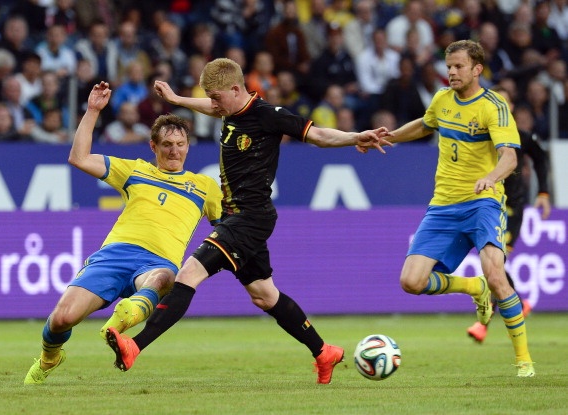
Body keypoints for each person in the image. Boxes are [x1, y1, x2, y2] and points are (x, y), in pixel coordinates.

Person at [104, 57, 391, 384]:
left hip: (250, 217)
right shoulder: (228, 109)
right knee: (264, 295)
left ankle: (135, 346)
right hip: (236, 216)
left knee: (189, 273)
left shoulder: (268, 115)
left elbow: (318, 135)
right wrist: (178, 99)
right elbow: (213, 107)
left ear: (236, 89)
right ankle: (324, 351)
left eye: (216, 97)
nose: (213, 104)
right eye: (210, 98)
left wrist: (355, 137)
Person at [23, 82, 223, 385]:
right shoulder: (135, 171)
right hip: (114, 255)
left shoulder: (204, 186)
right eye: (167, 144)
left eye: (180, 144)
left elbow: (227, 227)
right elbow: (79, 158)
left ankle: (120, 322)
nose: (175, 150)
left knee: (166, 278)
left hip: (158, 261)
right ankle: (50, 357)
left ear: (188, 145)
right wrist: (92, 111)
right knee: (62, 319)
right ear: (153, 146)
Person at [376, 40, 535, 377]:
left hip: (483, 202)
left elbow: (509, 156)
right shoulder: (442, 99)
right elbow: (424, 124)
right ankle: (473, 287)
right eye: (449, 66)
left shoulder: (494, 106)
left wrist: (491, 178)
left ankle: (524, 360)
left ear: (477, 69)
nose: (451, 72)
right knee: (411, 281)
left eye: (459, 66)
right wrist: (389, 136)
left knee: (496, 275)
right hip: (443, 205)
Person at [467, 86, 552, 343]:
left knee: (495, 265)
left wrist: (543, 193)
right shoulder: (480, 135)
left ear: (511, 107)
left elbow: (540, 158)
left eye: (503, 101)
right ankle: (520, 304)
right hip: (485, 207)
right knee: (494, 265)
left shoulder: (520, 136)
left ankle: (486, 321)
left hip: (511, 209)